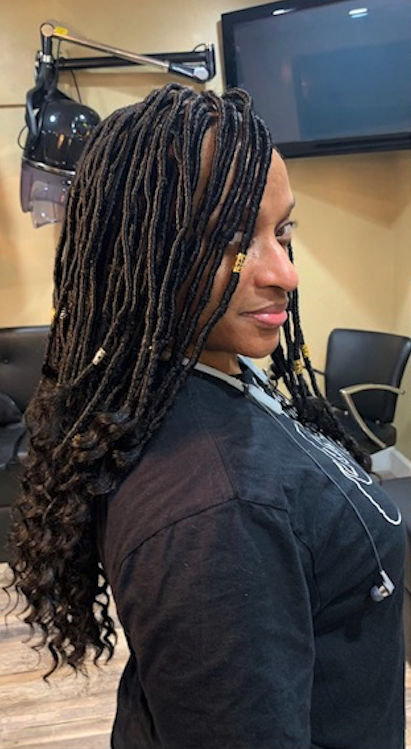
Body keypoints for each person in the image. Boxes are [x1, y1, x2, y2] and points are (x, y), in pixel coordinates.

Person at [7, 83, 405, 749]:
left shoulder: (206, 369)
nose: (284, 272)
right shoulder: (218, 512)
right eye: (229, 237)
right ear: (145, 253)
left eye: (282, 231)